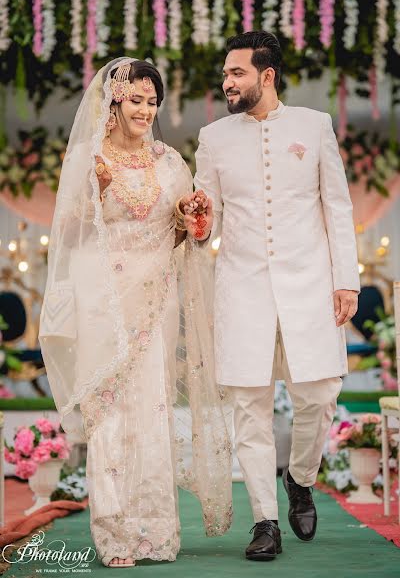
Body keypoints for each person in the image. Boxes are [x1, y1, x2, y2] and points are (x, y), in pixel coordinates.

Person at [39, 57, 232, 568]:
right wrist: (96, 189)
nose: (146, 110)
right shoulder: (88, 157)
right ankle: (115, 535)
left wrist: (194, 223)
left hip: (155, 302)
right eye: (136, 100)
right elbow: (70, 231)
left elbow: (178, 235)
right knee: (108, 414)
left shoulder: (170, 162)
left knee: (152, 408)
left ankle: (155, 533)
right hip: (103, 300)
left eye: (152, 102)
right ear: (114, 101)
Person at [193, 32, 360, 561]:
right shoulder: (213, 137)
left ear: (267, 75)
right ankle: (265, 520)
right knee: (250, 408)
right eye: (225, 74)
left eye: (237, 73)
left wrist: (346, 280)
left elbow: (337, 206)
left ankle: (301, 479)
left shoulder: (313, 126)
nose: (227, 82)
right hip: (241, 290)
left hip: (311, 286)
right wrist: (196, 220)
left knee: (320, 394)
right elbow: (206, 214)